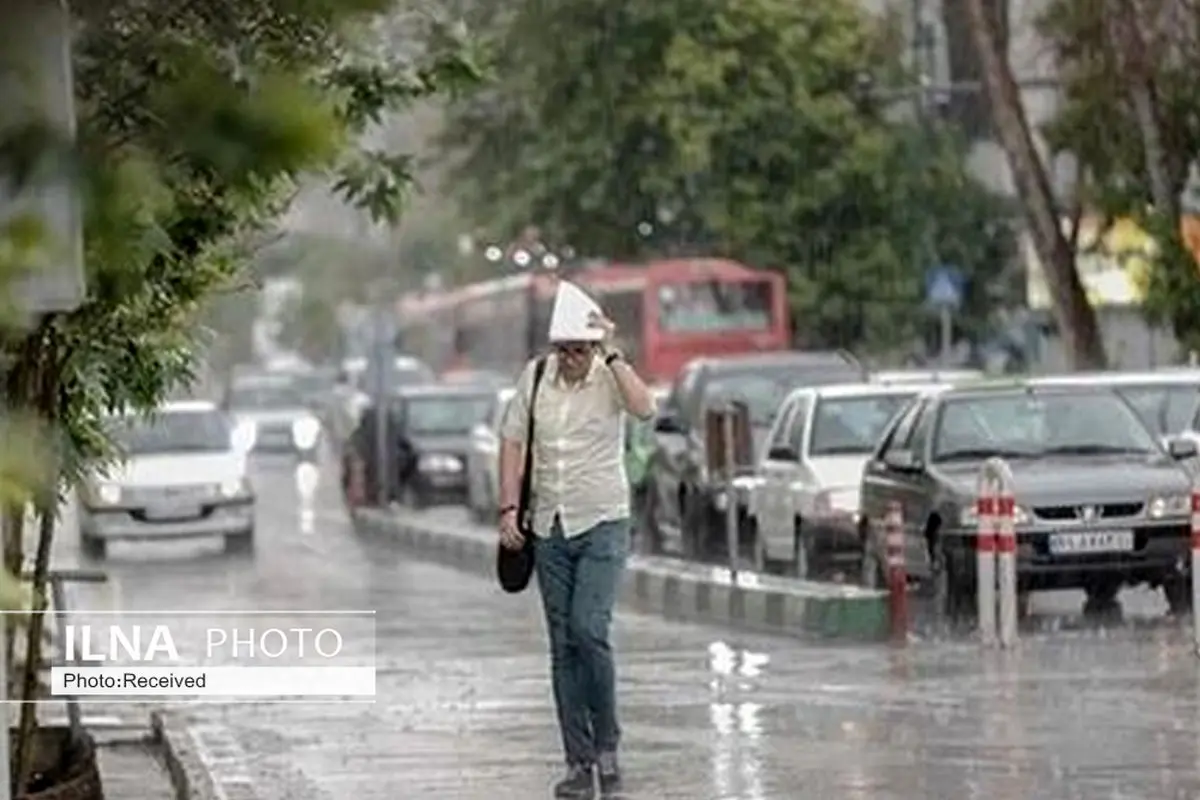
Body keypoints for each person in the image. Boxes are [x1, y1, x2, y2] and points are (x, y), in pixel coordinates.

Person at [497, 308, 657, 799]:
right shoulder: (537, 376)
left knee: (590, 630)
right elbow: (512, 442)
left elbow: (645, 408)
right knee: (563, 645)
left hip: (603, 522)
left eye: (579, 349)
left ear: (592, 347)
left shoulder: (609, 376)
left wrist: (610, 352)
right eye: (562, 348)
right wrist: (507, 508)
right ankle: (578, 762)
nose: (570, 358)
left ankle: (608, 746)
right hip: (550, 527)